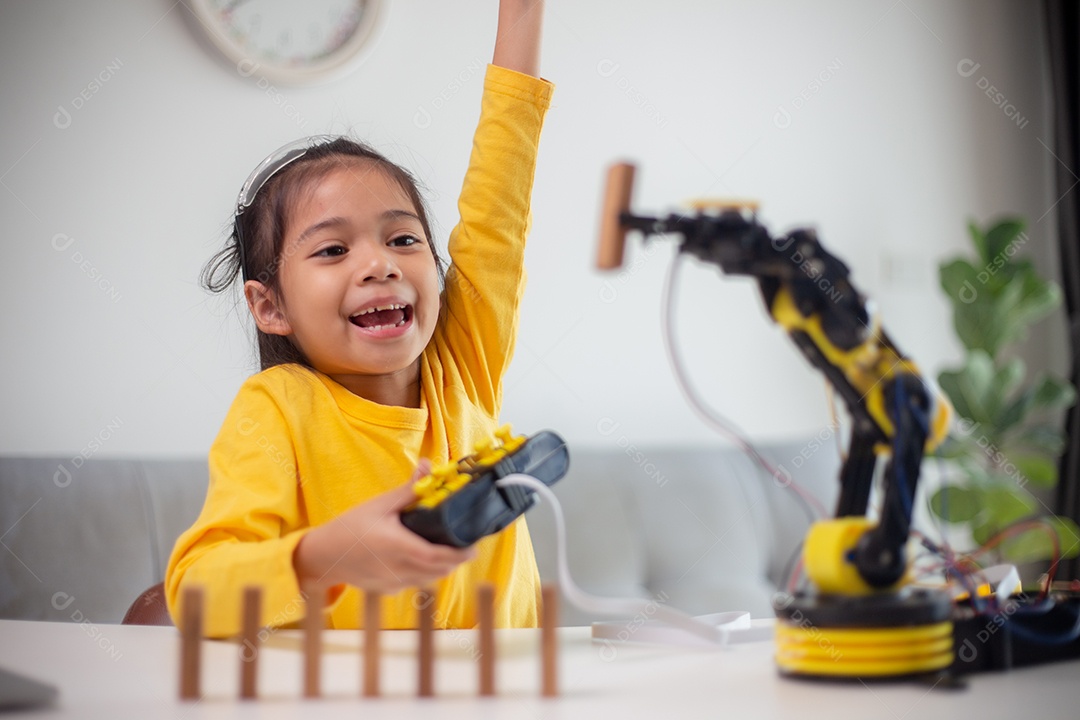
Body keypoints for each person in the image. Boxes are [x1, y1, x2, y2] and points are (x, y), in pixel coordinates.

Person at [165, 0, 552, 638]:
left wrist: (521, 17)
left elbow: (499, 206)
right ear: (270, 306)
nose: (379, 264)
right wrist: (325, 556)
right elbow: (197, 593)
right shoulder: (278, 410)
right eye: (332, 250)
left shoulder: (464, 365)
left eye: (403, 240)